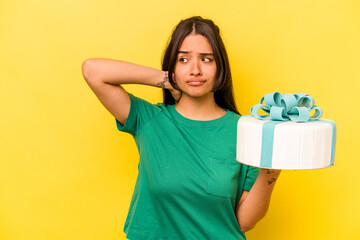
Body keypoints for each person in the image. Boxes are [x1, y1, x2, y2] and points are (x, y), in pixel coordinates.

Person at [82, 16, 281, 240]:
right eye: (183, 60)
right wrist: (167, 79)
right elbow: (93, 70)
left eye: (206, 59)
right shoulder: (149, 120)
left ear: (220, 67)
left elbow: (244, 221)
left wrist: (272, 167)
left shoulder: (246, 130)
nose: (195, 70)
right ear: (172, 66)